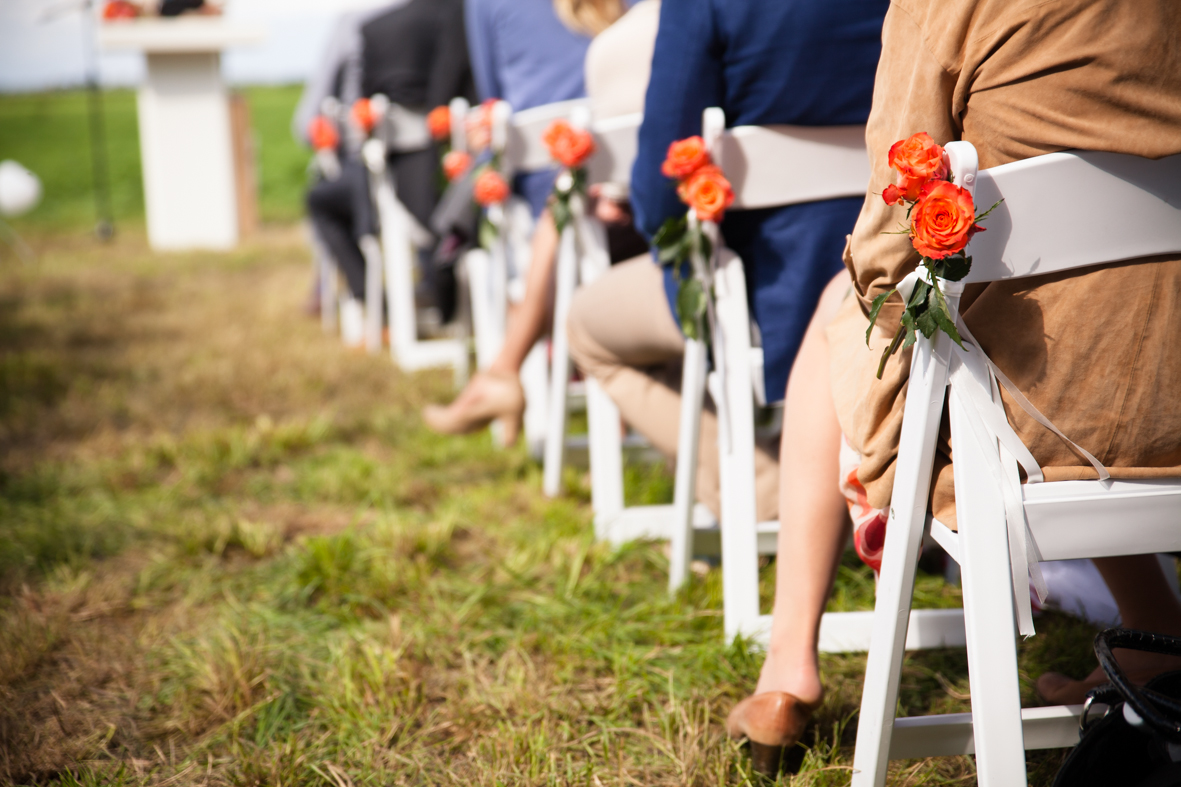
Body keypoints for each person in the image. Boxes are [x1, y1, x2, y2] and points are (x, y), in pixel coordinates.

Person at [736, 0, 1181, 772]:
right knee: (1108, 328)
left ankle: (787, 668)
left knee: (844, 311)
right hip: (1160, 387)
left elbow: (886, 228)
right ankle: (1155, 630)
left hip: (1042, 418)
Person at [566, 0, 887, 523]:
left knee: (587, 325)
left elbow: (660, 189)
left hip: (768, 295)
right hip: (902, 283)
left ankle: (771, 497)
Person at [423, 0, 642, 441]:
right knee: (568, 202)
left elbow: (495, 95)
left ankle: (503, 373)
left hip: (554, 187)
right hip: (630, 182)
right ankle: (510, 376)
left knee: (554, 209)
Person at [301, 0, 474, 320]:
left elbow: (306, 124)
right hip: (466, 169)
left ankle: (372, 304)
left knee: (320, 200)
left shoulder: (366, 27)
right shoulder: (467, 12)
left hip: (398, 181)